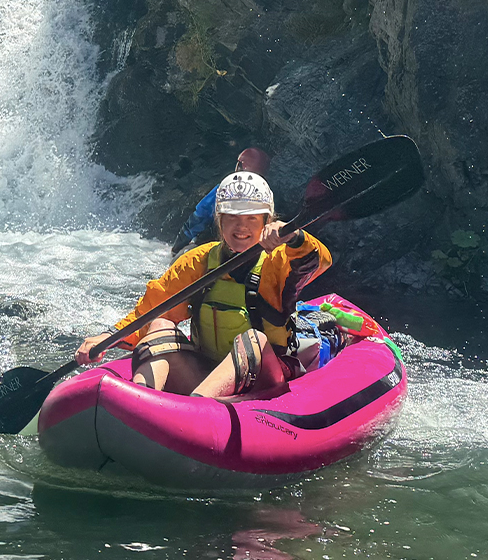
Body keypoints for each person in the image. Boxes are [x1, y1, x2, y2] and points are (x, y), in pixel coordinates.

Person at [77, 170, 330, 400]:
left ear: (267, 221)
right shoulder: (199, 261)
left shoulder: (280, 260)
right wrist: (108, 337)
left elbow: (318, 261)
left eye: (252, 218)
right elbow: (152, 309)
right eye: (231, 217)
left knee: (253, 339)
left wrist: (295, 238)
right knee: (160, 324)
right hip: (207, 375)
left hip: (265, 380)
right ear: (220, 222)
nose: (241, 226)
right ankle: (137, 401)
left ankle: (197, 411)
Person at [174, 147, 271, 252]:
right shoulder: (267, 194)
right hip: (251, 250)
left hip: (213, 247)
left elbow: (200, 217)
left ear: (241, 166)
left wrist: (178, 247)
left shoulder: (225, 189)